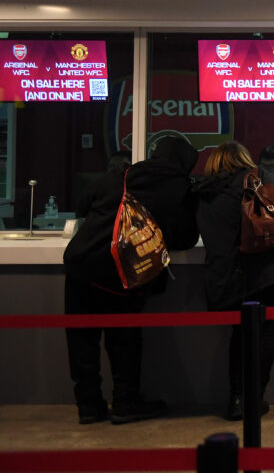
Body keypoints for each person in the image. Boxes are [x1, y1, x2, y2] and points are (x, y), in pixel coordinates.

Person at [62, 137, 199, 425]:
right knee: (124, 342)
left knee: (81, 342)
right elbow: (186, 238)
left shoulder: (122, 175)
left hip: (82, 265)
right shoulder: (180, 189)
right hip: (123, 272)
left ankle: (88, 407)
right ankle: (125, 402)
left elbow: (82, 204)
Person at [194, 140, 274, 421]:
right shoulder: (256, 177)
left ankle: (236, 397)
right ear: (244, 159)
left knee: (240, 333)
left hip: (230, 274)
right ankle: (254, 398)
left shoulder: (203, 191)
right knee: (265, 333)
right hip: (270, 269)